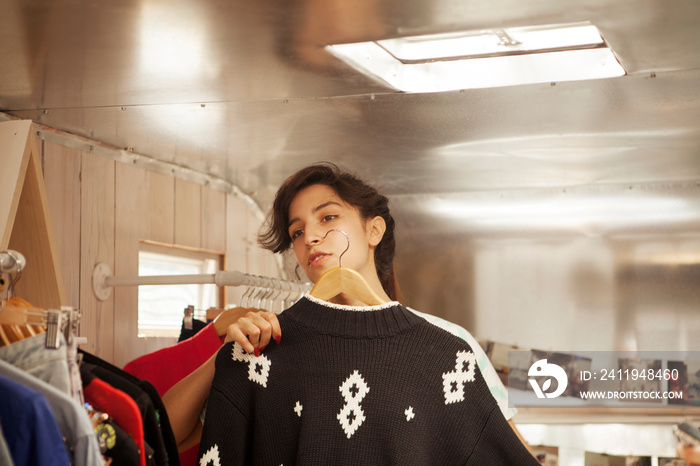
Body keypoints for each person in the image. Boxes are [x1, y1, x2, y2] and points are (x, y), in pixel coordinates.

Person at [166, 162, 538, 464]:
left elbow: (509, 456)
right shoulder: (268, 345)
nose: (310, 237)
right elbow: (165, 432)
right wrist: (227, 355)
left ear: (374, 229)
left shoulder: (448, 350)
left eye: (327, 218)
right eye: (297, 232)